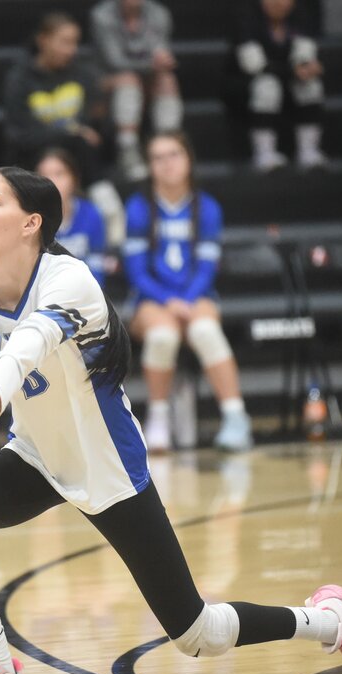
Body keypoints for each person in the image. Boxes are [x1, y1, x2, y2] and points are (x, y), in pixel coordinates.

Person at [0, 165, 342, 674]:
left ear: (31, 223)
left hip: (108, 464)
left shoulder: (69, 280)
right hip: (37, 455)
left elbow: (20, 356)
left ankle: (332, 622)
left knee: (198, 634)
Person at [123, 131, 252, 452]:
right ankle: (158, 418)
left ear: (189, 160)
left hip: (196, 295)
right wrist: (169, 301)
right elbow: (136, 271)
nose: (166, 164)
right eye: (157, 157)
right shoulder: (139, 208)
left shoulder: (207, 208)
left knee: (206, 329)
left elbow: (207, 268)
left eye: (174, 155)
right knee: (162, 336)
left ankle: (236, 417)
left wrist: (187, 300)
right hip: (151, 300)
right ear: (149, 166)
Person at [2, 12, 126, 247]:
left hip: (83, 167)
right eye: (64, 42)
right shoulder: (20, 80)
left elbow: (95, 129)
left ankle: (114, 252)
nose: (71, 50)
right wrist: (69, 133)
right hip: (35, 165)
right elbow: (19, 135)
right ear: (43, 40)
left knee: (110, 208)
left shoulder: (83, 75)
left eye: (75, 42)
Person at [226, 0, 327, 171]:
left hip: (288, 85)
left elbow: (304, 52)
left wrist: (308, 66)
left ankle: (309, 151)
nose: (279, 3)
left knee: (311, 85)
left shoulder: (300, 19)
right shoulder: (246, 21)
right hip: (246, 87)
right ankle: (264, 153)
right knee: (267, 86)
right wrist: (293, 72)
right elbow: (253, 64)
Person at [89, 0, 183, 181]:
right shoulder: (101, 15)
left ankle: (170, 145)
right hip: (108, 81)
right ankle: (128, 149)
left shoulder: (159, 13)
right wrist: (152, 64)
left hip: (148, 77)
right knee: (128, 80)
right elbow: (114, 61)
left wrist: (161, 61)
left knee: (167, 80)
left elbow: (160, 51)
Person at [35, 147, 106, 285]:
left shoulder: (91, 213)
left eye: (59, 174)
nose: (52, 182)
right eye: (45, 176)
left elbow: (97, 266)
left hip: (83, 293)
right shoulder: (29, 221)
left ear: (74, 178)